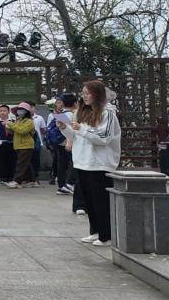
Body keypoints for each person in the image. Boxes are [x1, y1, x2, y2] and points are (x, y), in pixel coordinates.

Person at [58, 80, 121, 246]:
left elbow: (104, 138)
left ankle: (106, 235)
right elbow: (75, 137)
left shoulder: (108, 114)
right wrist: (64, 128)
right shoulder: (83, 112)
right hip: (82, 162)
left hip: (100, 163)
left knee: (101, 201)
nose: (84, 96)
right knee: (89, 201)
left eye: (88, 93)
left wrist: (81, 129)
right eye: (83, 93)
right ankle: (95, 231)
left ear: (97, 94)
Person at [46, 94, 75, 194]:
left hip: (58, 143)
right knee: (73, 164)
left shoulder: (59, 114)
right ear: (74, 103)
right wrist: (69, 142)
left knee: (61, 164)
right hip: (68, 143)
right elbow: (71, 130)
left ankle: (61, 186)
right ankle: (69, 184)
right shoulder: (71, 115)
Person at [6, 103, 38, 188]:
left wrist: (11, 124)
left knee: (21, 164)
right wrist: (7, 127)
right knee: (26, 163)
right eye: (18, 110)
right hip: (18, 145)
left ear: (26, 112)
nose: (19, 111)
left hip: (26, 145)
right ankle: (32, 181)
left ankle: (16, 181)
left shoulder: (29, 121)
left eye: (21, 110)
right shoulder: (18, 121)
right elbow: (14, 132)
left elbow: (22, 130)